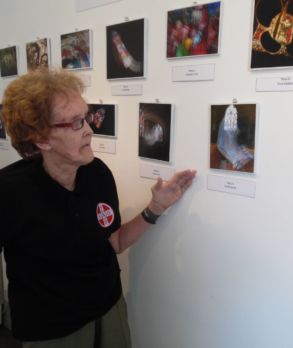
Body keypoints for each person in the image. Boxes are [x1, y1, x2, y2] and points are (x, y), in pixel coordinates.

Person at [0, 69, 196, 348]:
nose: (90, 130)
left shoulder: (97, 173)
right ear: (42, 138)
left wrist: (156, 207)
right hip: (53, 331)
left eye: (87, 117)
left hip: (109, 311)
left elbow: (114, 241)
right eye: (76, 123)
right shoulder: (9, 192)